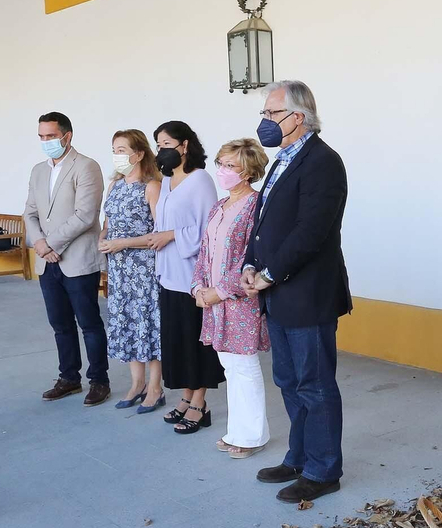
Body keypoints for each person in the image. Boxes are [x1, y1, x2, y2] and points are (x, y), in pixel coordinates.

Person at [241, 80, 351, 503]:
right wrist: (252, 263)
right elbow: (265, 221)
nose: (264, 123)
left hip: (307, 293)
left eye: (271, 114)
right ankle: (300, 456)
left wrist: (269, 273)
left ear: (297, 117)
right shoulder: (282, 160)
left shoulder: (323, 162)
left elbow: (312, 231)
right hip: (278, 290)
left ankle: (324, 471)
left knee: (314, 383)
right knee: (288, 380)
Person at [23, 112, 110, 406]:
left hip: (77, 259)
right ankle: (69, 377)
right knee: (60, 324)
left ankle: (99, 380)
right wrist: (38, 243)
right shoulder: (38, 171)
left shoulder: (86, 167)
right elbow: (30, 212)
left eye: (50, 136)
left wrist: (50, 243)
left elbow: (86, 215)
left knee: (89, 323)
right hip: (47, 261)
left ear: (66, 136)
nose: (45, 141)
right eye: (41, 137)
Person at [194, 139, 270, 458]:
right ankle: (237, 431)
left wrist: (220, 291)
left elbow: (250, 256)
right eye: (220, 164)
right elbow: (205, 250)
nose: (222, 171)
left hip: (239, 299)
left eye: (230, 166)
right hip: (213, 300)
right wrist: (199, 286)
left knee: (244, 365)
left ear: (248, 171)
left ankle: (252, 436)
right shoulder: (219, 206)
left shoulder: (256, 205)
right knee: (229, 366)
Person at [150, 120, 223, 431]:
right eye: (158, 145)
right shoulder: (167, 181)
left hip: (192, 274)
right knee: (177, 339)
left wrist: (171, 236)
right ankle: (185, 395)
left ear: (184, 145)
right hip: (169, 272)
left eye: (166, 144)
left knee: (195, 340)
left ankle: (200, 402)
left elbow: (209, 228)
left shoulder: (200, 179)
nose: (161, 151)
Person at [98, 130, 164, 412]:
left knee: (148, 325)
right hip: (119, 268)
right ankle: (136, 383)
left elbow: (159, 232)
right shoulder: (114, 184)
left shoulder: (151, 186)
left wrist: (123, 242)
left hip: (144, 268)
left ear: (138, 154)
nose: (117, 155)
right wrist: (104, 238)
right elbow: (108, 221)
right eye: (114, 148)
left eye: (122, 149)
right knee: (126, 323)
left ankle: (155, 387)